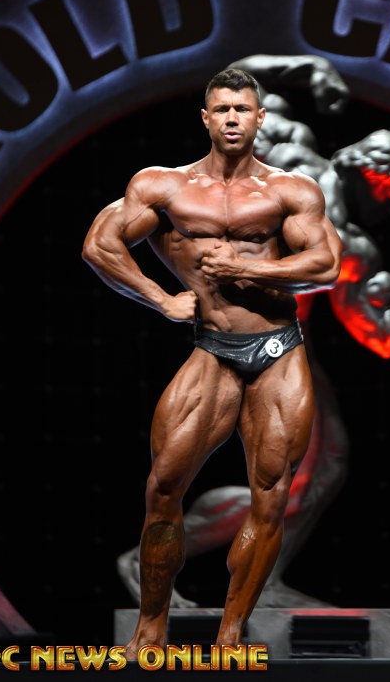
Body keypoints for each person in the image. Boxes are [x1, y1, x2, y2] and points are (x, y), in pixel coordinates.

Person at [115, 58, 390, 610]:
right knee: (179, 470)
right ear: (381, 172)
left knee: (316, 473)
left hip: (287, 343)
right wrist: (309, 65)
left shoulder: (351, 243)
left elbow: (382, 336)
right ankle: (146, 565)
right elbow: (236, 84)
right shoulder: (293, 153)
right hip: (222, 332)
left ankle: (263, 583)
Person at [82, 67, 343, 651]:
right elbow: (100, 244)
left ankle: (230, 632)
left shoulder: (290, 190)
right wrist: (160, 299)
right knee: (163, 487)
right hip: (213, 348)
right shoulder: (165, 187)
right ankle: (152, 626)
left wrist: (246, 267)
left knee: (270, 497)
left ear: (259, 118)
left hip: (277, 349)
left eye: (242, 109)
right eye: (222, 109)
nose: (231, 118)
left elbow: (326, 265)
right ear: (205, 118)